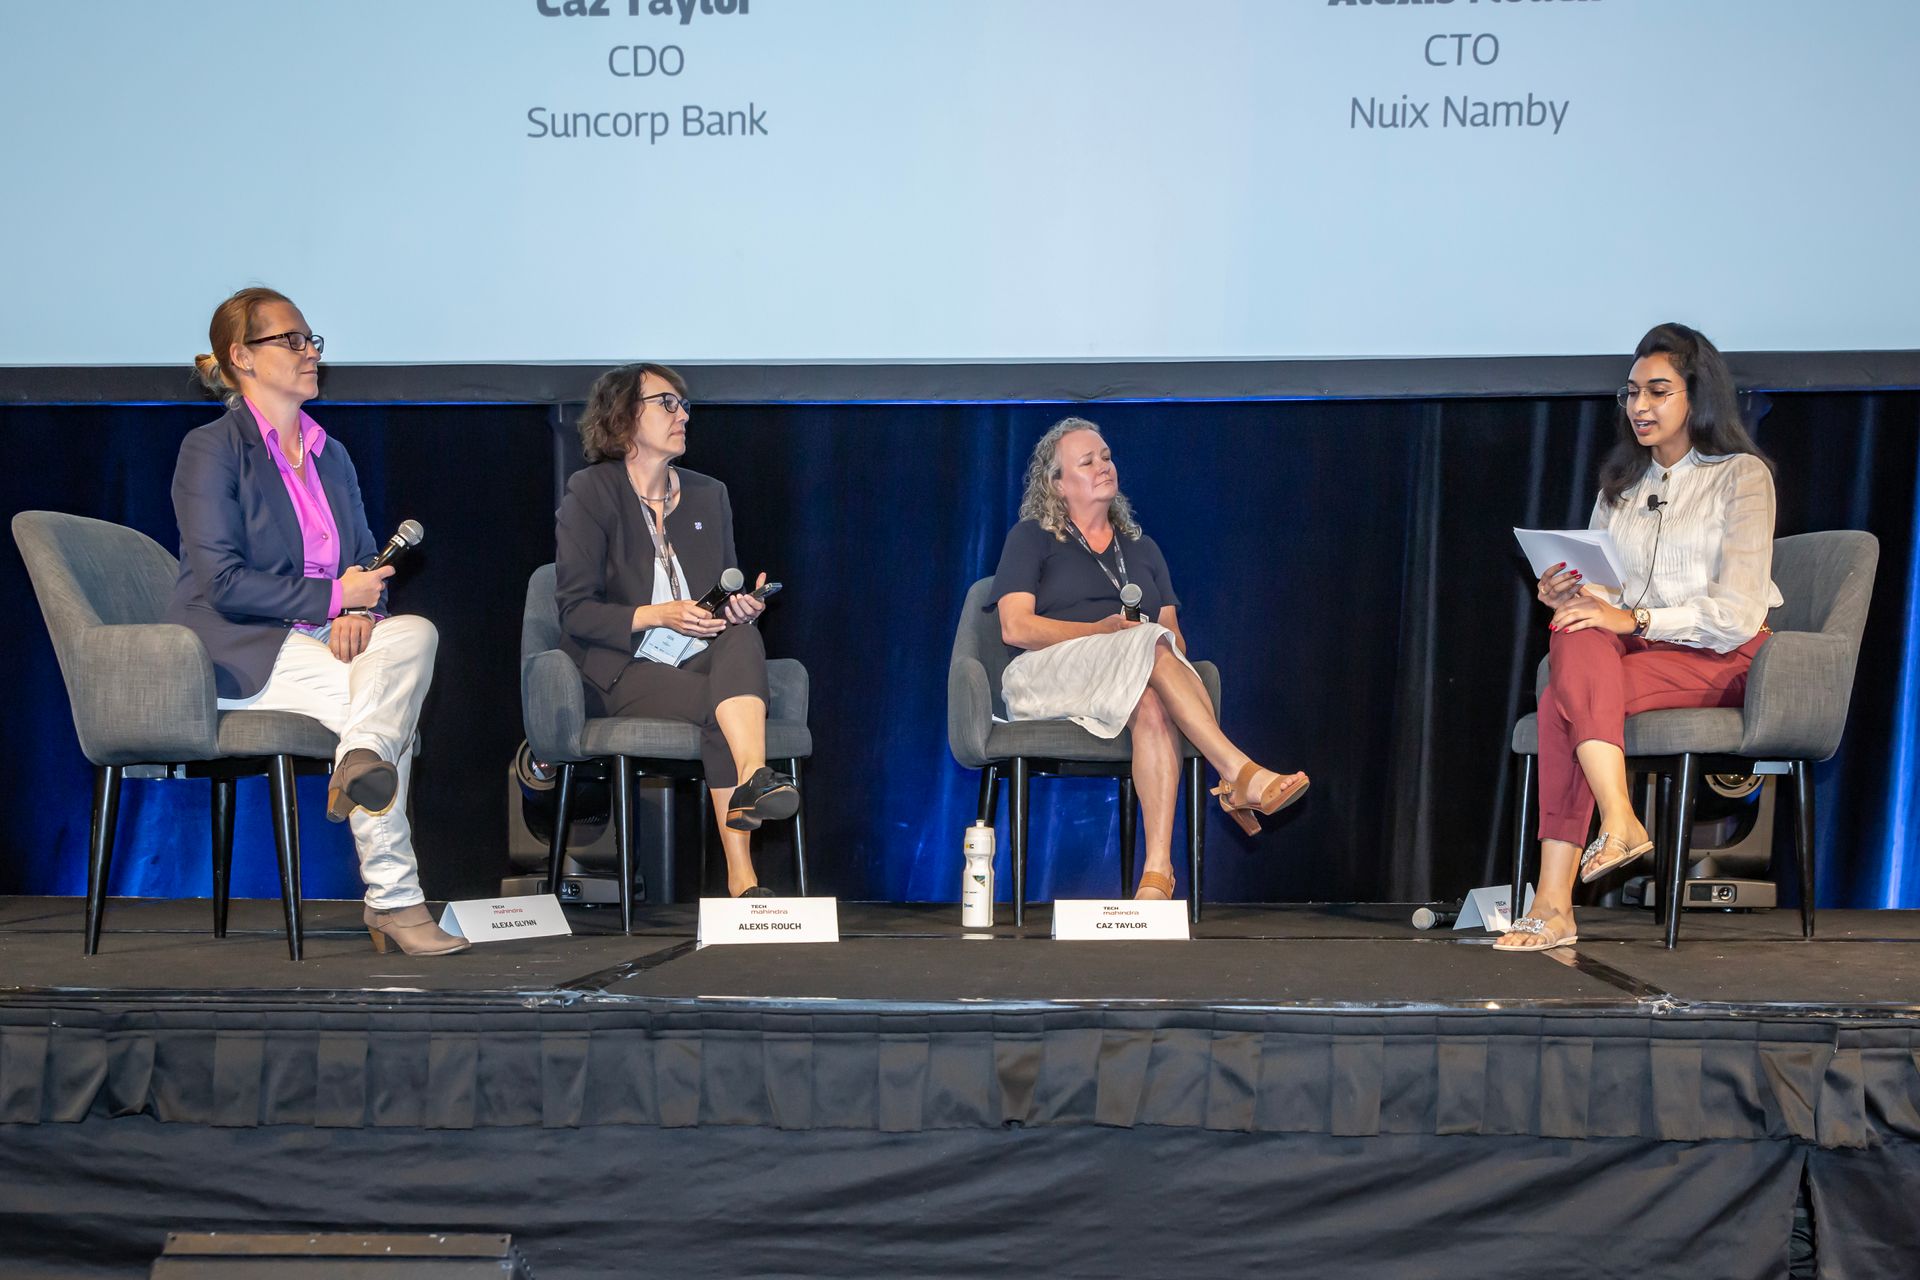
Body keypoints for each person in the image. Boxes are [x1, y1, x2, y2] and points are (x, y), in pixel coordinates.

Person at [170, 287, 460, 956]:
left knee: (413, 637)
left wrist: (361, 607)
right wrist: (336, 602)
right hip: (237, 645)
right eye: (291, 340)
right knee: (389, 720)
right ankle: (394, 900)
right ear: (241, 356)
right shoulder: (211, 450)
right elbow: (222, 581)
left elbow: (362, 562)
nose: (310, 353)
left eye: (311, 340)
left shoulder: (332, 455)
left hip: (321, 639)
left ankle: (360, 764)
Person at [1498, 323, 1780, 952]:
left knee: (1558, 701)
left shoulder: (1741, 477)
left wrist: (1638, 620)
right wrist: (1572, 595)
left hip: (1724, 656)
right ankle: (1617, 820)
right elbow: (1610, 600)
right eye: (1631, 394)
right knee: (1573, 629)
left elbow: (1735, 613)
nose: (1640, 407)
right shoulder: (1621, 488)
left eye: (1658, 392)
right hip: (1639, 657)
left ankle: (1555, 901)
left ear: (1697, 397)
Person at [990, 417, 1309, 900]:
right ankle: (1237, 774)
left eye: (1106, 456)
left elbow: (1174, 640)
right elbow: (1016, 627)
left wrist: (1141, 645)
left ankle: (1157, 874)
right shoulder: (1032, 537)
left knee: (1154, 686)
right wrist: (1100, 632)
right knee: (1146, 642)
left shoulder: (1142, 548)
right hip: (1045, 674)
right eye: (1087, 461)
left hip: (1123, 678)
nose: (1104, 466)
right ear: (1056, 484)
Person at [553, 363, 791, 898]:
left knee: (743, 636)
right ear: (623, 416)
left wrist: (738, 608)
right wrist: (656, 614)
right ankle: (742, 874)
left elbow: (720, 593)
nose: (681, 414)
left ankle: (752, 778)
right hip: (621, 664)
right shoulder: (591, 492)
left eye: (683, 405)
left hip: (698, 650)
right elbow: (574, 611)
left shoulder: (709, 495)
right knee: (721, 706)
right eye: (666, 403)